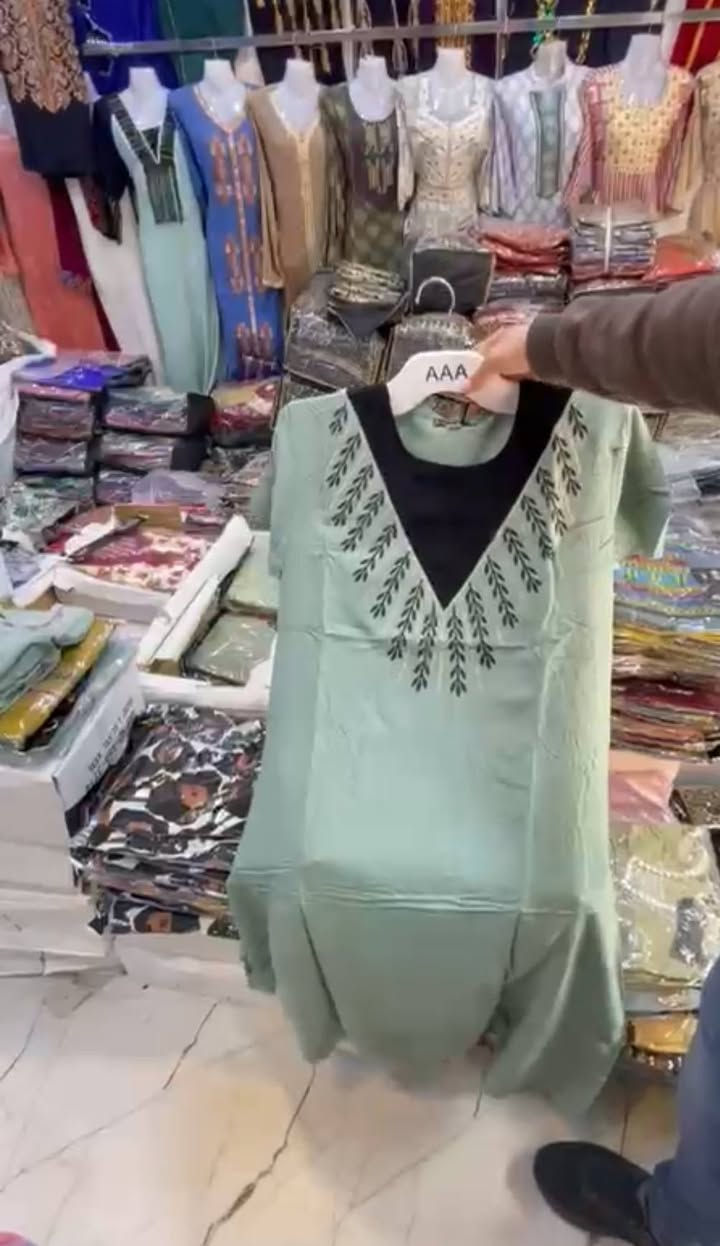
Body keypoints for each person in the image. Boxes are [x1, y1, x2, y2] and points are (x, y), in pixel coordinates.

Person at [467, 274, 720, 1246]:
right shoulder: (326, 438)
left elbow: (691, 338)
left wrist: (545, 344)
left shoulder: (609, 440)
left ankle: (686, 1217)